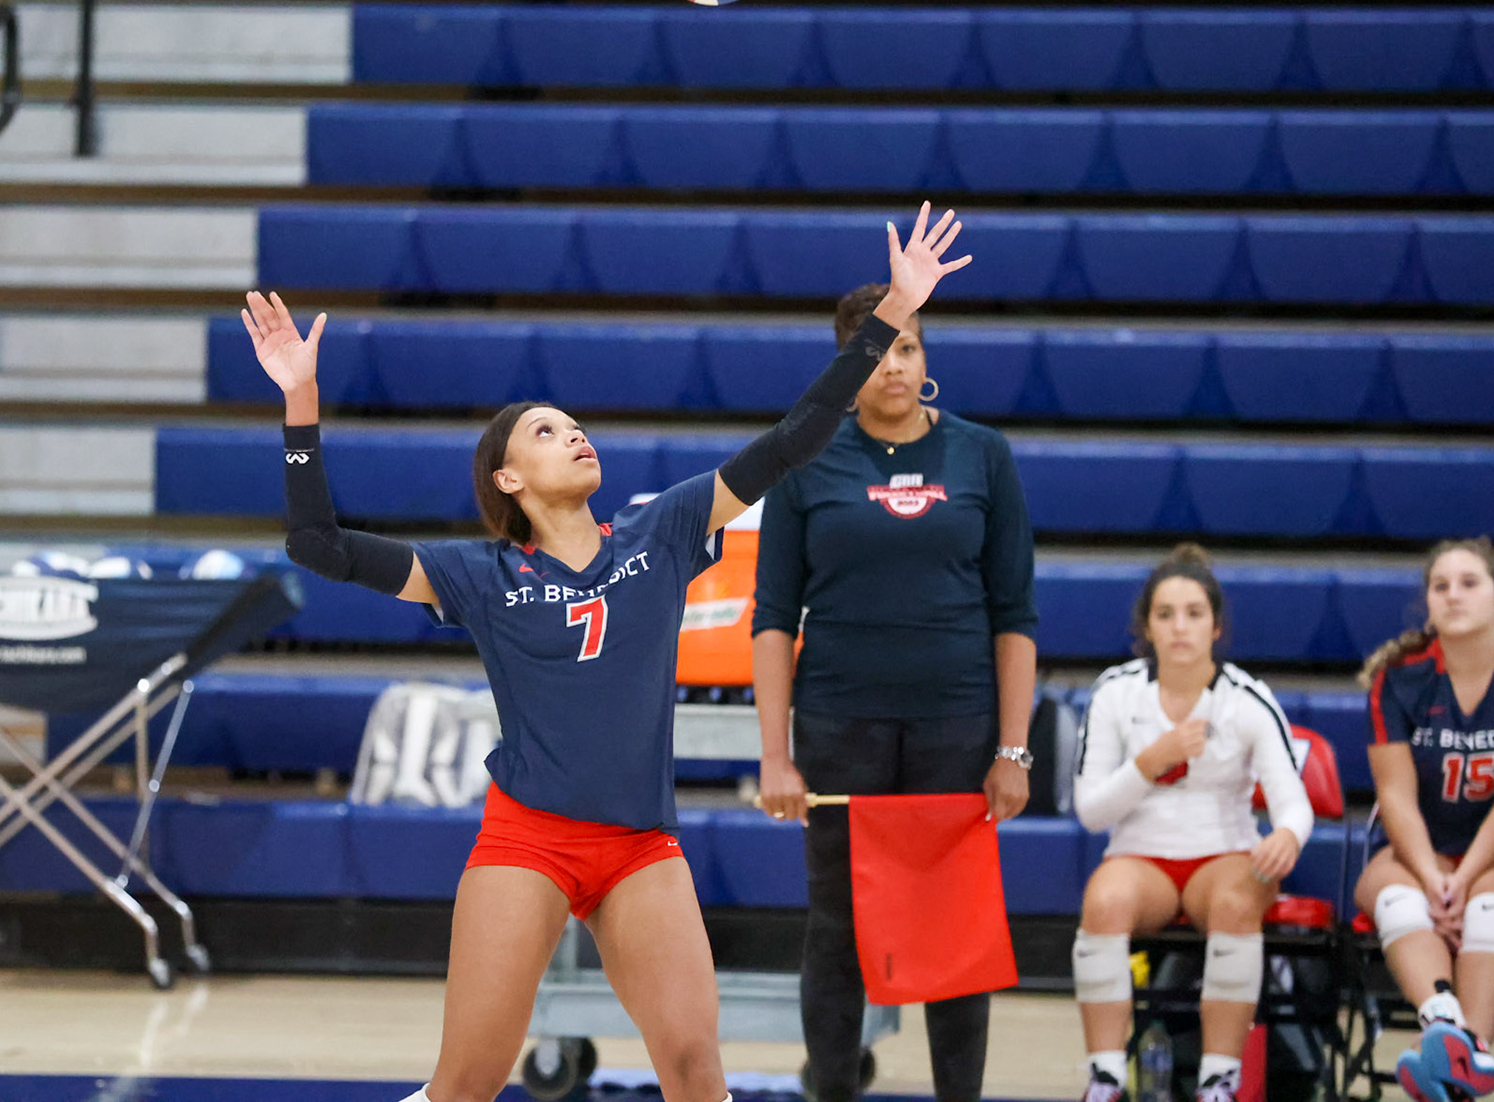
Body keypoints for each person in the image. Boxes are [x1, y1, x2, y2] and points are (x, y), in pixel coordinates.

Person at [243, 203, 972, 1102]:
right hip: (529, 839)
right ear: (509, 478)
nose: (574, 434)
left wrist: (893, 312)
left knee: (697, 1072)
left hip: (639, 846)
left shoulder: (663, 530)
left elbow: (796, 439)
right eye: (546, 432)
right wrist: (300, 403)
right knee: (467, 1081)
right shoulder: (477, 575)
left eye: (575, 425)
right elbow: (316, 544)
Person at [752, 279, 1038, 1102]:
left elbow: (1016, 614)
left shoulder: (983, 454)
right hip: (840, 727)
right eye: (873, 352)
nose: (893, 366)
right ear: (846, 368)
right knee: (837, 930)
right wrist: (775, 755)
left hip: (958, 729)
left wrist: (1012, 750)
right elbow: (772, 618)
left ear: (926, 356)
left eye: (906, 346)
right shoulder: (802, 460)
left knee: (955, 931)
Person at [1068, 544, 1313, 1102]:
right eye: (1165, 614)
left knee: (1235, 903)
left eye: (1194, 613)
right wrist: (1149, 762)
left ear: (1216, 627)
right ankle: (1106, 1076)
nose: (1180, 627)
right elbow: (1090, 811)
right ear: (1146, 627)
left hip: (1224, 853)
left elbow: (1293, 804)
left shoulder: (1247, 699)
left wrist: (1286, 835)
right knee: (1103, 903)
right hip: (1140, 856)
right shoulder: (1115, 691)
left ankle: (1218, 1080)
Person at [1354, 537, 1494, 1102]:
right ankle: (1448, 1025)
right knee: (1393, 894)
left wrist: (1463, 879)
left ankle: (1461, 1054)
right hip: (1417, 848)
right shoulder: (1398, 678)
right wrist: (1432, 878)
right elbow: (1395, 796)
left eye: (1469, 583)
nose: (1453, 595)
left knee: (1493, 902)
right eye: (1440, 585)